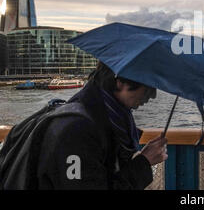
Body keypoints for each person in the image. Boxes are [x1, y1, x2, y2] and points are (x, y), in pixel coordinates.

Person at [35, 62, 168, 189]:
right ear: (120, 82)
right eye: (147, 89)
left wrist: (143, 159)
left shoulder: (111, 118)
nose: (151, 96)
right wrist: (143, 162)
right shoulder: (76, 130)